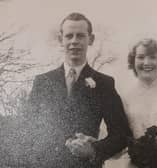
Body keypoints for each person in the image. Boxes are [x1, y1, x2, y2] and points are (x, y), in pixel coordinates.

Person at [28, 12, 132, 168]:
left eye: (80, 36)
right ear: (60, 39)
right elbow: (27, 128)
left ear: (91, 39)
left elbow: (122, 134)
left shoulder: (104, 83)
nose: (74, 41)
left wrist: (93, 149)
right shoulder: (42, 82)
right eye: (69, 36)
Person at [122, 38, 157, 167]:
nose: (146, 62)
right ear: (133, 61)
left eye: (153, 57)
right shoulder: (125, 96)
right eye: (141, 57)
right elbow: (119, 137)